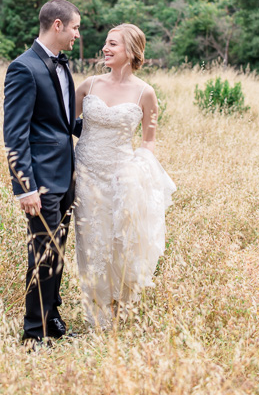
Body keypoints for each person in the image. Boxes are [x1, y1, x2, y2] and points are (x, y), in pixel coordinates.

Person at [74, 23, 176, 328]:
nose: (105, 48)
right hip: (86, 174)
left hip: (121, 177)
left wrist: (137, 171)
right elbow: (61, 124)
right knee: (91, 242)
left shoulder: (146, 93)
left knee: (120, 243)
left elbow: (149, 140)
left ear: (131, 52)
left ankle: (121, 307)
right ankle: (97, 313)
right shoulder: (88, 86)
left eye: (113, 44)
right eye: (106, 43)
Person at [3, 0, 82, 345]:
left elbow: (61, 123)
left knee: (58, 253)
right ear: (58, 26)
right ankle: (33, 334)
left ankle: (51, 317)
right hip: (41, 181)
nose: (78, 34)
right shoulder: (24, 68)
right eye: (75, 27)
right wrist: (25, 187)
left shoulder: (63, 66)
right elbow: (15, 133)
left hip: (66, 177)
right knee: (42, 254)